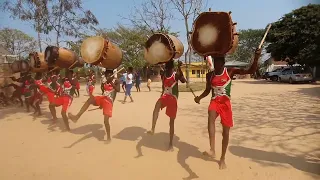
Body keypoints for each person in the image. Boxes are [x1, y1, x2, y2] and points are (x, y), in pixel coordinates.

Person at [194, 48, 262, 169]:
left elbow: (251, 70)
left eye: (218, 63)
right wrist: (199, 98)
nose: (216, 65)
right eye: (215, 62)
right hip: (215, 101)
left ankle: (222, 158)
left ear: (223, 63)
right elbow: (207, 91)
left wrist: (256, 57)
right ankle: (212, 150)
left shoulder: (230, 71)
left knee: (226, 133)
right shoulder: (210, 75)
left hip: (225, 104)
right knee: (210, 115)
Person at [68, 69, 120, 143]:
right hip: (103, 98)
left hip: (109, 101)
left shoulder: (116, 81)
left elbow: (118, 90)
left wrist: (111, 82)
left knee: (106, 121)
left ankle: (108, 138)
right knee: (90, 99)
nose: (107, 76)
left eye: (109, 74)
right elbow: (104, 92)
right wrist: (101, 104)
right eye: (106, 74)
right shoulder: (104, 82)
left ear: (112, 75)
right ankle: (77, 117)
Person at [147, 60, 186, 151]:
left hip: (173, 98)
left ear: (171, 68)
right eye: (166, 68)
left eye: (168, 68)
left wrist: (180, 68)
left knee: (171, 122)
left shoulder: (175, 75)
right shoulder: (164, 75)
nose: (166, 69)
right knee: (156, 107)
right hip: (165, 96)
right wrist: (161, 94)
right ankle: (153, 129)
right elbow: (163, 86)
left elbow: (183, 81)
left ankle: (171, 144)